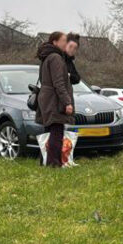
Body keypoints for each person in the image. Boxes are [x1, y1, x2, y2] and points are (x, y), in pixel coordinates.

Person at [36, 31, 75, 168]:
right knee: (56, 130)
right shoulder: (56, 58)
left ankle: (45, 161)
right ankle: (54, 164)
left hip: (46, 98)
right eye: (64, 40)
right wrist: (67, 102)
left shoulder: (46, 57)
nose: (66, 43)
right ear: (55, 42)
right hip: (54, 100)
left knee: (48, 131)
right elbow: (59, 83)